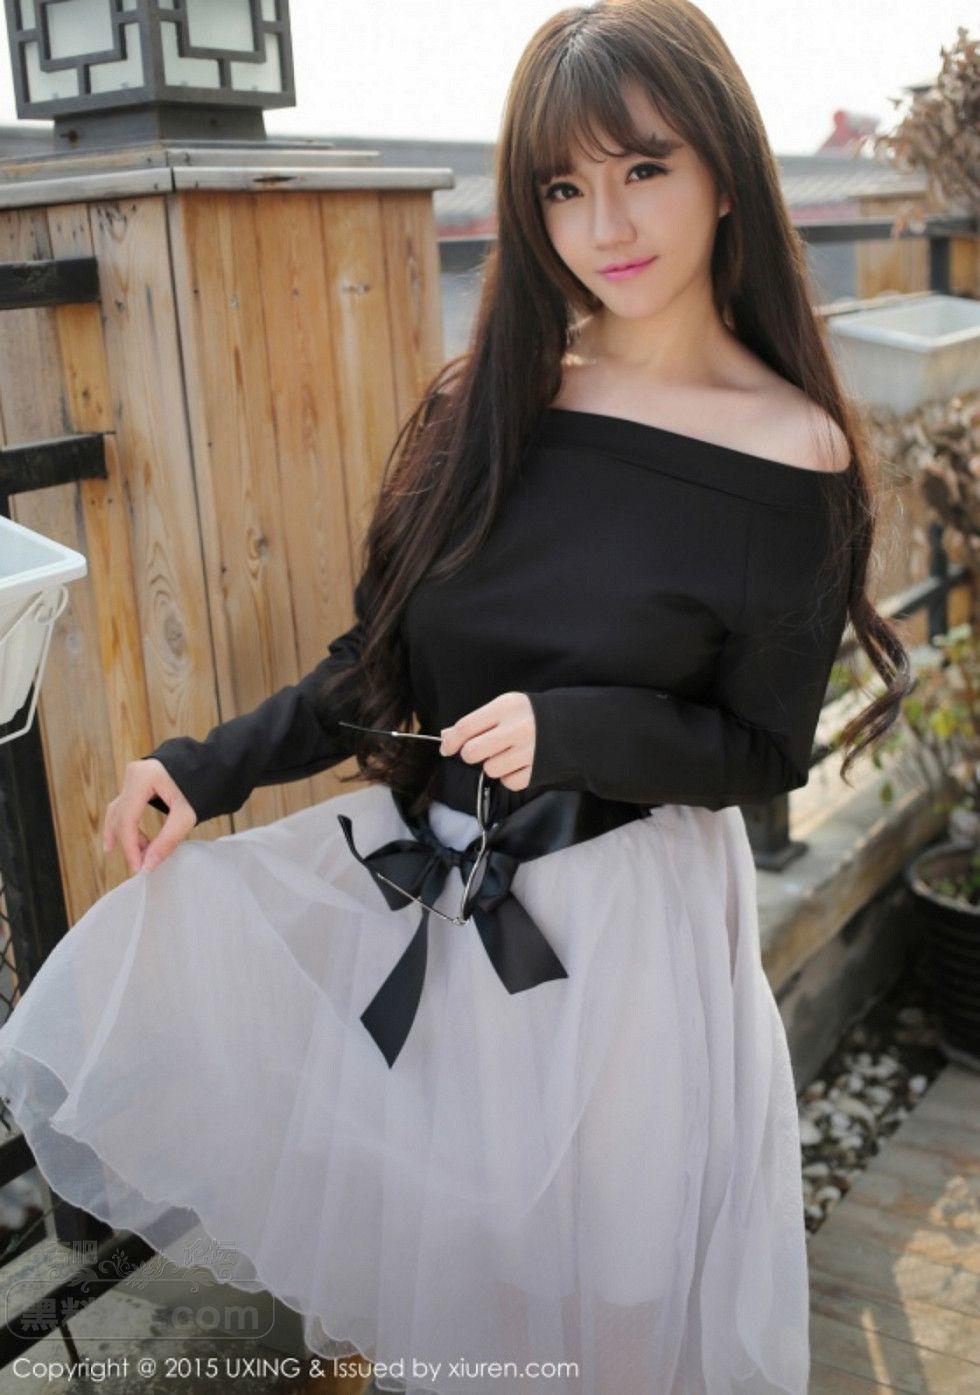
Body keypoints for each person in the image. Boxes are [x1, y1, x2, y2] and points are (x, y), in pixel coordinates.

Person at [0, 3, 910, 1392]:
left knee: (613, 1299)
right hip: (432, 900)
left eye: (644, 168)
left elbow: (762, 749)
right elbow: (381, 666)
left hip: (624, 939)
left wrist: (572, 730)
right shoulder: (491, 400)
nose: (606, 222)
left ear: (727, 171)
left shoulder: (792, 454)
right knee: (462, 1298)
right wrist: (210, 764)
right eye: (563, 187)